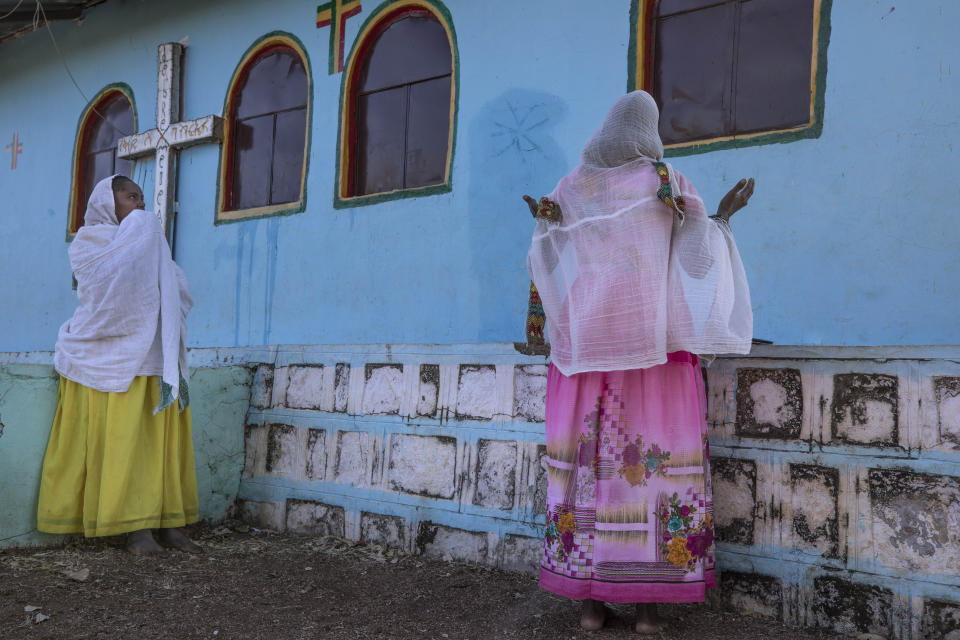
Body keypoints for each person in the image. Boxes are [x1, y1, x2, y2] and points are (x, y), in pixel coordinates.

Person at [524, 91, 755, 633]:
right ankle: (647, 611)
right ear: (646, 133)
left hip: (584, 350)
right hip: (652, 349)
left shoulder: (568, 189)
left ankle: (590, 605)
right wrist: (719, 219)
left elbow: (546, 257)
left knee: (586, 472)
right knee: (649, 475)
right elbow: (697, 261)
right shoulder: (665, 182)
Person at [37, 175, 201, 557]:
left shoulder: (148, 240)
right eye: (130, 197)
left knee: (157, 447)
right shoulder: (89, 242)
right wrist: (143, 234)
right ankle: (136, 530)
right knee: (126, 446)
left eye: (141, 198)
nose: (139, 206)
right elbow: (110, 290)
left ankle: (170, 524)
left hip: (155, 357)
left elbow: (176, 288)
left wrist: (146, 239)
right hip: (108, 356)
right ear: (107, 203)